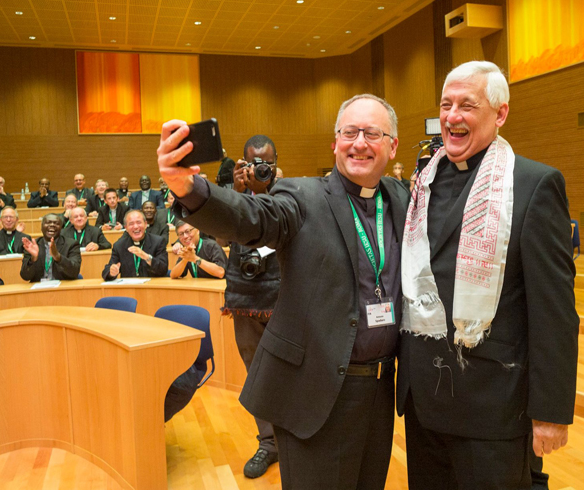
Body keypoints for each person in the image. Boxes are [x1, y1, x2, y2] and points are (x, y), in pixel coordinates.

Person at [157, 93, 409, 489]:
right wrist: (191, 190)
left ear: (392, 146)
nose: (359, 142)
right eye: (349, 132)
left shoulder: (400, 198)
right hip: (315, 391)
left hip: (379, 391)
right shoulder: (302, 197)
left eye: (372, 133)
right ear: (335, 142)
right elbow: (253, 218)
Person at [398, 61, 578, 489]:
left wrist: (550, 412)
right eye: (446, 105)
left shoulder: (534, 185)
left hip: (492, 408)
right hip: (425, 401)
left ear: (499, 114)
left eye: (467, 105)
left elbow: (554, 311)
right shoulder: (421, 185)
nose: (452, 116)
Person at [215, 135, 284, 478]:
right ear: (242, 163)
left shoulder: (288, 192)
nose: (259, 168)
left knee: (289, 372)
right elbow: (221, 239)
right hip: (244, 299)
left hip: (283, 298)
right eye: (252, 162)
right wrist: (237, 194)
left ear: (274, 163)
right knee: (256, 374)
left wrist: (268, 189)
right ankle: (268, 444)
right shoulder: (235, 194)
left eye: (265, 163)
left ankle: (292, 441)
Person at [102, 210, 168, 280]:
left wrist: (146, 257)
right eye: (131, 224)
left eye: (139, 222)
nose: (136, 226)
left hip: (151, 288)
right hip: (129, 289)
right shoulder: (119, 246)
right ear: (126, 228)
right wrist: (111, 272)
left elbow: (163, 270)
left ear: (145, 224)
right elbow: (106, 271)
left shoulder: (158, 242)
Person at [20, 214, 81, 282]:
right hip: (39, 289)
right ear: (41, 227)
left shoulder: (71, 244)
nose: (52, 225)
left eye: (56, 223)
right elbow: (25, 276)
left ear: (61, 228)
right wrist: (33, 259)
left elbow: (74, 272)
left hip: (62, 288)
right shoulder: (32, 246)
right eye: (48, 222)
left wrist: (58, 257)